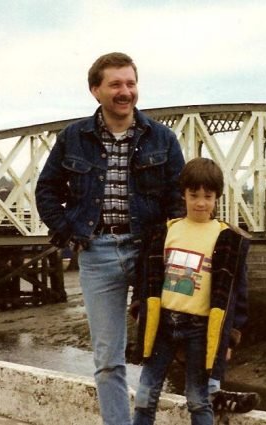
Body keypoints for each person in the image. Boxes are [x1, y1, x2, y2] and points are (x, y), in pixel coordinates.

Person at [35, 52, 185, 425]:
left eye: (131, 83)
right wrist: (69, 232)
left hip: (149, 251)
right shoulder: (73, 137)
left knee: (168, 340)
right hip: (97, 253)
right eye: (116, 84)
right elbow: (46, 190)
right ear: (95, 90)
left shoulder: (162, 138)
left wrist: (172, 246)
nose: (125, 92)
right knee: (107, 358)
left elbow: (178, 198)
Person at [131, 158, 256, 425]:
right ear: (183, 195)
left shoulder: (228, 239)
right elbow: (145, 276)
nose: (200, 202)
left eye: (208, 196)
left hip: (201, 328)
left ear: (217, 197)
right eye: (194, 195)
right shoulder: (166, 232)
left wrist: (230, 338)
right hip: (163, 322)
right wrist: (139, 309)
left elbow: (239, 291)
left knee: (198, 399)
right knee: (145, 394)